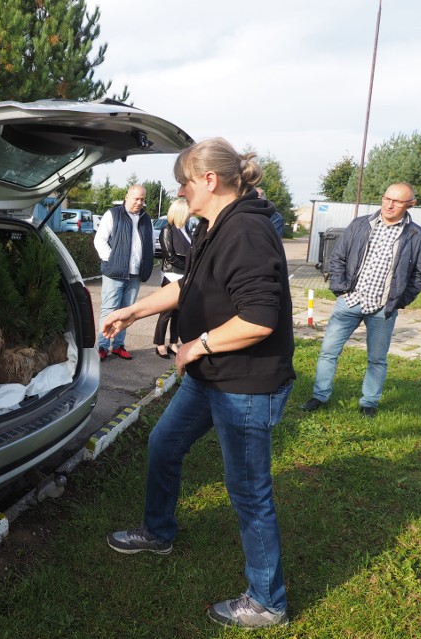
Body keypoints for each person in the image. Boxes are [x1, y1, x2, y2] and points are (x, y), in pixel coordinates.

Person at [102, 138, 295, 629]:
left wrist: (196, 346)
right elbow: (189, 286)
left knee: (249, 492)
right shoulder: (214, 225)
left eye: (183, 183)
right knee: (164, 444)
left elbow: (258, 320)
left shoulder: (247, 231)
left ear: (209, 181)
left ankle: (267, 601)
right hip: (211, 378)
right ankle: (159, 532)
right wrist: (131, 311)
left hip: (245, 385)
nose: (180, 192)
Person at [300, 183, 421, 418]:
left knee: (377, 359)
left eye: (397, 201)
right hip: (349, 301)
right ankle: (319, 396)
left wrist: (399, 300)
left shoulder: (417, 235)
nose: (389, 205)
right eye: (386, 198)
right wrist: (340, 289)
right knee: (328, 351)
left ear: (411, 204)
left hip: (383, 308)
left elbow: (420, 275)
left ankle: (369, 402)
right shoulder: (360, 225)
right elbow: (338, 257)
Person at [94, 184, 154, 360]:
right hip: (114, 273)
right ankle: (102, 346)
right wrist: (112, 260)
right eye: (136, 198)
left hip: (135, 274)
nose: (139, 202)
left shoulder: (146, 218)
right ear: (127, 197)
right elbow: (100, 241)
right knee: (109, 310)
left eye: (142, 199)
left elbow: (149, 243)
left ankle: (118, 346)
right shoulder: (113, 215)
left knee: (126, 312)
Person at [153, 197, 192, 358]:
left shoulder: (186, 230)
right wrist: (189, 268)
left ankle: (173, 342)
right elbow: (169, 256)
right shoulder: (167, 230)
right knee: (166, 313)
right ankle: (160, 344)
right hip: (171, 275)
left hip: (183, 276)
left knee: (178, 312)